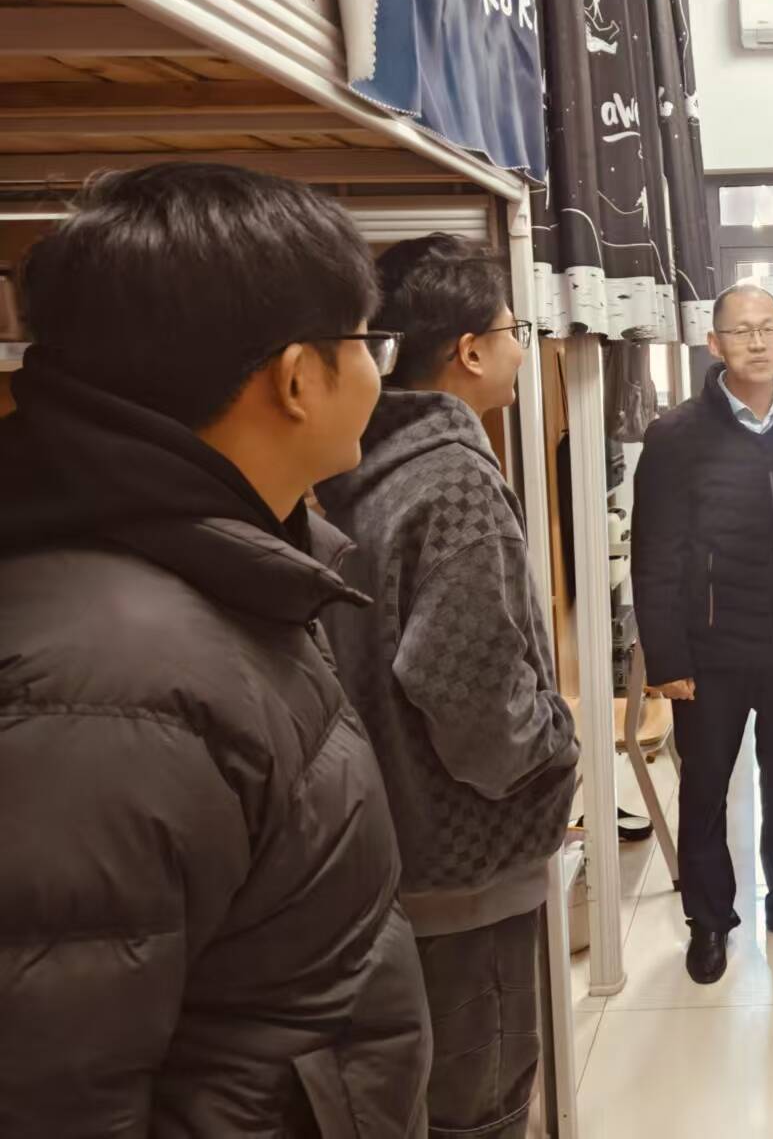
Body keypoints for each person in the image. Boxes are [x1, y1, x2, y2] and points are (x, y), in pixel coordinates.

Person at [0, 163, 429, 1135]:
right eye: (367, 340)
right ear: (296, 377)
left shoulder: (203, 574)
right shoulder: (110, 686)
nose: (378, 370)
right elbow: (52, 1092)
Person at [318, 234, 579, 1139]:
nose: (521, 351)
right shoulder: (456, 483)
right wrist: (557, 749)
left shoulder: (358, 466)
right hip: (465, 872)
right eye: (513, 332)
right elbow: (481, 716)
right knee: (482, 1107)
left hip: (392, 852)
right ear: (469, 350)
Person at [631, 282, 773, 985]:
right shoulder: (676, 435)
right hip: (711, 653)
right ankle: (709, 919)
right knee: (705, 790)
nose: (757, 342)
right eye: (741, 330)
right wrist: (666, 656)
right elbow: (656, 553)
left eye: (768, 327)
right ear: (714, 343)